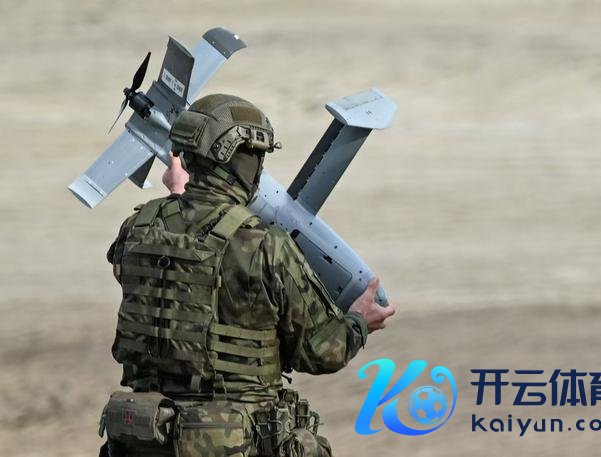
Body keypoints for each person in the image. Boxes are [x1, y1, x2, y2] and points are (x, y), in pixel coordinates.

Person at [100, 94, 395, 457]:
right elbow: (320, 352)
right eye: (256, 156)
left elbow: (173, 271)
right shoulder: (266, 246)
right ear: (238, 159)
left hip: (145, 440)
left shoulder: (138, 228)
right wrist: (359, 322)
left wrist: (179, 201)